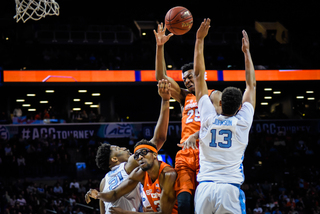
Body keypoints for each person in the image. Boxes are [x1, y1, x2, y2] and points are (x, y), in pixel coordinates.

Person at [153, 22, 222, 214]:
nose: (188, 81)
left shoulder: (215, 96)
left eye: (191, 77)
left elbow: (219, 123)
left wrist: (197, 135)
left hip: (207, 152)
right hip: (185, 153)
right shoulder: (185, 97)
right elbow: (161, 78)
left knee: (204, 204)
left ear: (201, 76)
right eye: (185, 80)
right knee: (183, 203)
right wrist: (160, 46)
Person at [193, 18, 256, 213]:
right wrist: (246, 53)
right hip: (228, 189)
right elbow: (251, 85)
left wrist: (199, 40)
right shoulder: (242, 122)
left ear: (218, 104)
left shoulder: (208, 119)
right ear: (240, 107)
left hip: (204, 188)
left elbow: (197, 76)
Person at [85, 79, 174, 213]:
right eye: (118, 149)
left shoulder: (103, 182)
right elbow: (159, 139)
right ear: (114, 160)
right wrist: (165, 101)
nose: (125, 148)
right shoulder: (128, 166)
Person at [86, 140, 178, 214]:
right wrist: (98, 195)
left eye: (143, 152)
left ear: (155, 154)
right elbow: (158, 139)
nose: (140, 157)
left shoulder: (104, 181)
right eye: (136, 155)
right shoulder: (135, 171)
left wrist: (99, 195)